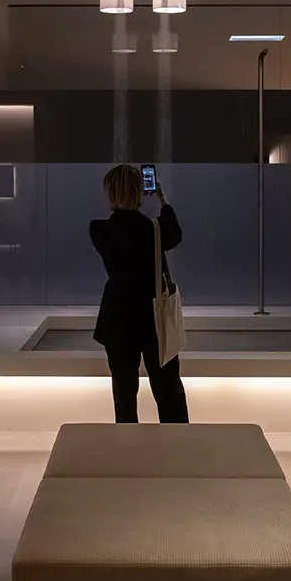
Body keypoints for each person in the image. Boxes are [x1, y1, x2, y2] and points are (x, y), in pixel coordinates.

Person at [88, 164, 189, 423]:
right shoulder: (154, 229)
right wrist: (163, 200)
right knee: (168, 390)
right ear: (140, 192)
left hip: (117, 318)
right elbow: (175, 236)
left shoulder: (100, 230)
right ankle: (177, 445)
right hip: (153, 318)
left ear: (110, 193)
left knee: (124, 393)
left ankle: (126, 449)